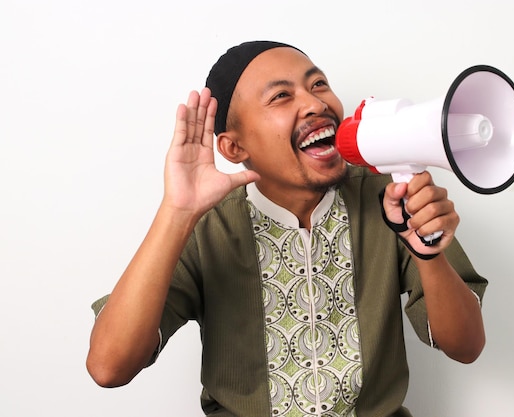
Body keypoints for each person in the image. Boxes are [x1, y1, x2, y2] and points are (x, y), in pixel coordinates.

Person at [86, 40, 487, 417]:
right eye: (281, 95)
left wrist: (427, 252)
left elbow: (466, 346)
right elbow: (108, 367)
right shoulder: (206, 227)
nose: (315, 102)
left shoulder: (389, 197)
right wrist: (176, 211)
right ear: (234, 147)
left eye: (319, 84)